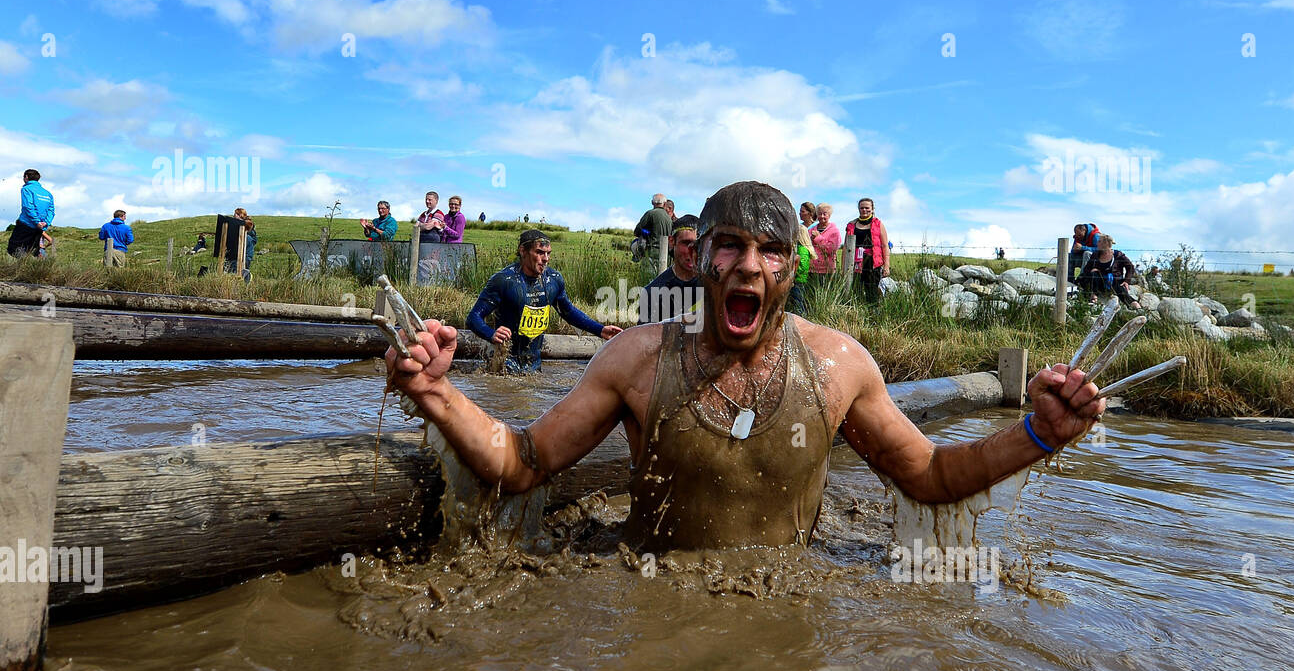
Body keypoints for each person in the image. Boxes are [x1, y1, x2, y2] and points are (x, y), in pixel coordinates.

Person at [389, 180, 1106, 550]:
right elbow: (523, 461)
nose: (749, 266)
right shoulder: (635, 359)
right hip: (651, 591)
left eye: (770, 250)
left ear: (795, 264)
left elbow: (933, 476)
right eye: (730, 246)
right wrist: (437, 393)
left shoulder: (839, 365)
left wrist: (1039, 435)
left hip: (781, 597)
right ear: (700, 259)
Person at [467, 229, 623, 373]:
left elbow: (567, 311)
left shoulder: (553, 280)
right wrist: (491, 333)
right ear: (523, 251)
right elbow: (473, 318)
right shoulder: (504, 280)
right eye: (540, 253)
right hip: (504, 365)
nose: (546, 259)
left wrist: (600, 330)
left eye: (548, 253)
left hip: (534, 366)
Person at [639, 215, 699, 324]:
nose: (692, 251)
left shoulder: (715, 288)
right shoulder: (652, 293)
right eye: (686, 243)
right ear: (672, 241)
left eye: (697, 244)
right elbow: (643, 338)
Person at [845, 197, 890, 302]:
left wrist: (886, 266)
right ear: (858, 209)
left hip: (873, 263)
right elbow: (846, 247)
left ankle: (873, 313)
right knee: (856, 290)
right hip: (854, 263)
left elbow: (884, 245)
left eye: (867, 208)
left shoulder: (878, 224)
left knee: (872, 291)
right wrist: (844, 267)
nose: (864, 210)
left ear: (872, 209)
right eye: (861, 208)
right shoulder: (851, 225)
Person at [1079, 235, 1140, 309]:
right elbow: (1086, 269)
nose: (1097, 243)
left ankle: (1132, 303)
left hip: (1114, 281)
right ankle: (1093, 297)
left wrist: (1127, 281)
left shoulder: (1118, 255)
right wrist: (1093, 270)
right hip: (1099, 282)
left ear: (1106, 244)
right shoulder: (1095, 255)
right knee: (1093, 275)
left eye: (1099, 241)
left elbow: (1130, 267)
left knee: (1118, 285)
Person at [7, 169, 53, 257]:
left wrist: (36, 221)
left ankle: (24, 266)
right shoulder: (47, 194)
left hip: (26, 224)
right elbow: (51, 210)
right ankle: (43, 267)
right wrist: (45, 223)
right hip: (39, 227)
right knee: (34, 248)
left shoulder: (26, 189)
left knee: (13, 248)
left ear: (26, 177)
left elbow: (28, 206)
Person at [633, 194, 673, 265]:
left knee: (647, 275)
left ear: (652, 202)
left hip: (651, 253)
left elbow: (637, 231)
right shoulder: (669, 218)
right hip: (666, 255)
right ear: (664, 204)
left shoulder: (650, 214)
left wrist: (646, 232)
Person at [808, 203, 841, 282]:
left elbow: (831, 250)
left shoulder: (834, 231)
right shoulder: (810, 230)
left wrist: (818, 238)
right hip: (811, 269)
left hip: (826, 270)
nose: (822, 216)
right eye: (819, 214)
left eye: (824, 214)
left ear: (829, 215)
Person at [787, 223, 813, 315]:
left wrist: (793, 274)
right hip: (800, 278)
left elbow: (802, 266)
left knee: (798, 300)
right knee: (797, 299)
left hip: (798, 279)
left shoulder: (801, 249)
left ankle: (801, 316)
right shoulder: (803, 248)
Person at [228, 207, 257, 280]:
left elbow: (249, 243)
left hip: (244, 257)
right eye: (234, 215)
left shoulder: (247, 231)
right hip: (234, 256)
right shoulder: (235, 228)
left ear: (241, 216)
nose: (235, 216)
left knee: (237, 272)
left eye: (237, 214)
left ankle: (246, 276)